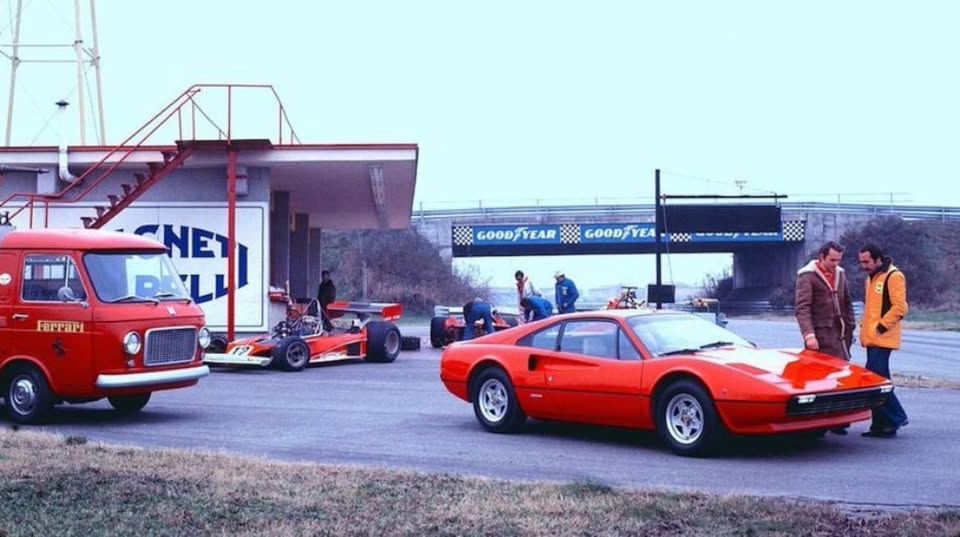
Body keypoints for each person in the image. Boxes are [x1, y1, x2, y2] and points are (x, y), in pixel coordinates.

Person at [794, 241, 857, 435]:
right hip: (820, 337)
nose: (835, 263)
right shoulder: (807, 276)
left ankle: (839, 421)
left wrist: (851, 327)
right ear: (822, 257)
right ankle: (819, 423)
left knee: (840, 379)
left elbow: (847, 302)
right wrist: (809, 335)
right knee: (819, 381)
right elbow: (802, 309)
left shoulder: (841, 273)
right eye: (832, 259)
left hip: (840, 336)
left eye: (839, 259)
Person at [858, 243, 910, 438]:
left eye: (866, 262)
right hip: (872, 338)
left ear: (877, 259)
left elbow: (900, 307)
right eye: (861, 262)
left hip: (882, 338)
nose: (863, 266)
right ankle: (882, 425)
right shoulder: (870, 278)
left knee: (874, 381)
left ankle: (896, 416)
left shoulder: (893, 276)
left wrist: (881, 326)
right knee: (877, 381)